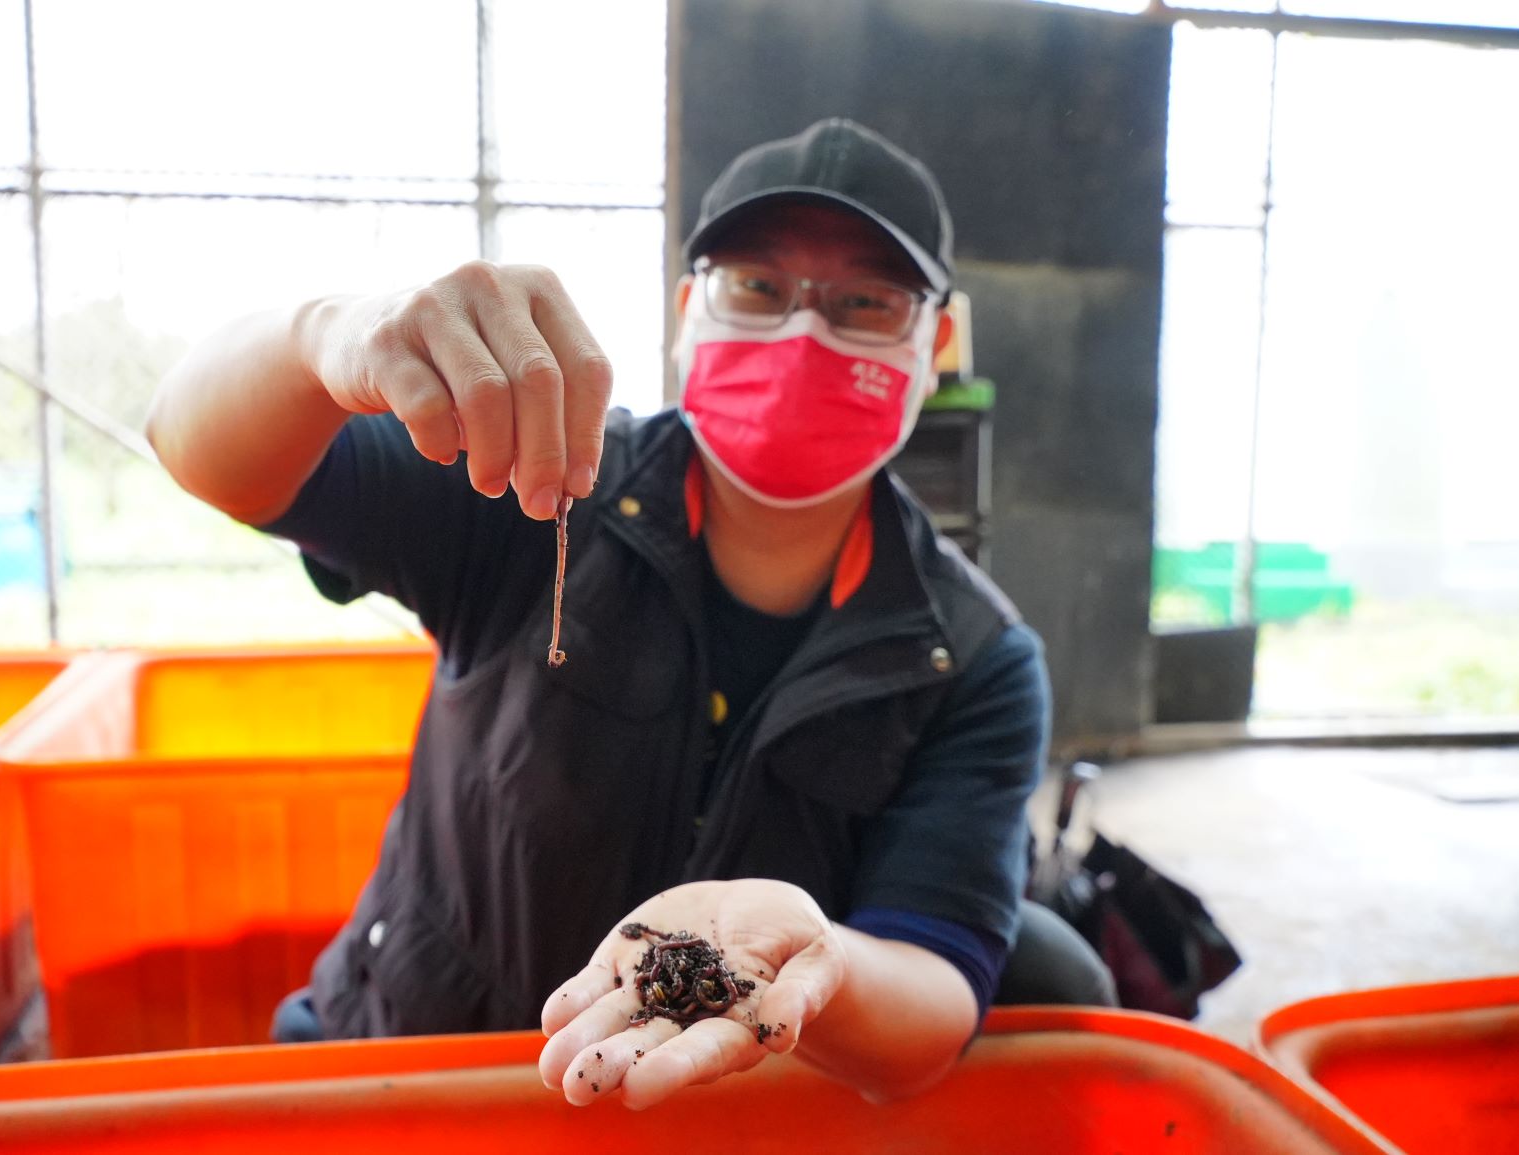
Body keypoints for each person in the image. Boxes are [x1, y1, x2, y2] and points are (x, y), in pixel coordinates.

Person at [147, 117, 1111, 1110]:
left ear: (935, 339)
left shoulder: (973, 658)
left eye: (864, 301)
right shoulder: (532, 484)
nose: (801, 332)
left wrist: (822, 960)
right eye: (757, 287)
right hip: (408, 1083)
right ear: (690, 307)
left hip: (702, 1122)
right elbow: (197, 446)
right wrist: (324, 338)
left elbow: (930, 995)